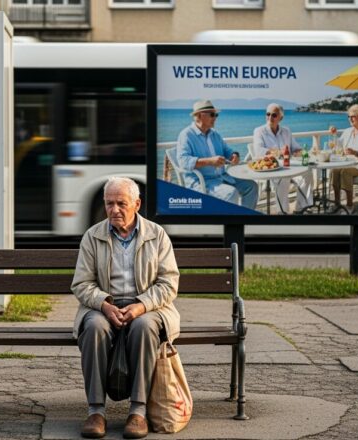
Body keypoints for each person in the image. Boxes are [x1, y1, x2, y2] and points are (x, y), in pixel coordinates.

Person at [71, 177, 180, 439]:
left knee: (144, 326)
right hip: (104, 306)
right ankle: (96, 411)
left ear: (137, 204)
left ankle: (138, 413)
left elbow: (168, 283)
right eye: (110, 203)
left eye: (122, 203)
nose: (114, 210)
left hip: (147, 307)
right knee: (94, 326)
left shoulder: (157, 235)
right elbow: (82, 284)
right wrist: (105, 305)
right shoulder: (92, 236)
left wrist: (140, 306)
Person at [176, 100, 258, 210]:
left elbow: (227, 150)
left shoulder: (215, 134)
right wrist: (209, 161)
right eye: (212, 114)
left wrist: (234, 155)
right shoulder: (186, 135)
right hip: (202, 182)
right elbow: (183, 161)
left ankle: (244, 219)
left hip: (222, 177)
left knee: (251, 186)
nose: (215, 118)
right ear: (200, 116)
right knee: (231, 193)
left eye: (216, 114)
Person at [250, 103, 314, 214]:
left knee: (307, 173)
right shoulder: (259, 131)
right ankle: (283, 212)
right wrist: (278, 152)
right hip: (271, 169)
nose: (270, 117)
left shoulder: (286, 131)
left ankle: (301, 208)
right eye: (268, 114)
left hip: (288, 167)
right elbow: (259, 151)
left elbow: (295, 148)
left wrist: (304, 152)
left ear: (281, 117)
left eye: (274, 115)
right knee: (283, 179)